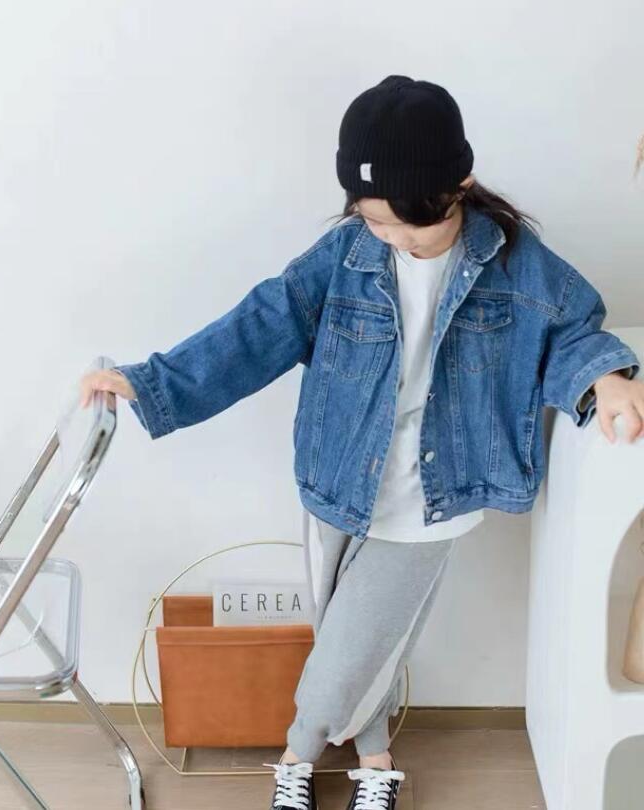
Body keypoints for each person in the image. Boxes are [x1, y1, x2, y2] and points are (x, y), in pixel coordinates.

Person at [79, 76, 644, 810]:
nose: (398, 239)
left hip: (436, 495)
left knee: (349, 651)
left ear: (458, 186)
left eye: (415, 225)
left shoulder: (515, 261)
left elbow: (573, 328)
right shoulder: (345, 254)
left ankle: (296, 753)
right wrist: (153, 382)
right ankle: (376, 763)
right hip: (338, 474)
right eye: (377, 222)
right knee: (354, 639)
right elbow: (260, 326)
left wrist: (606, 377)